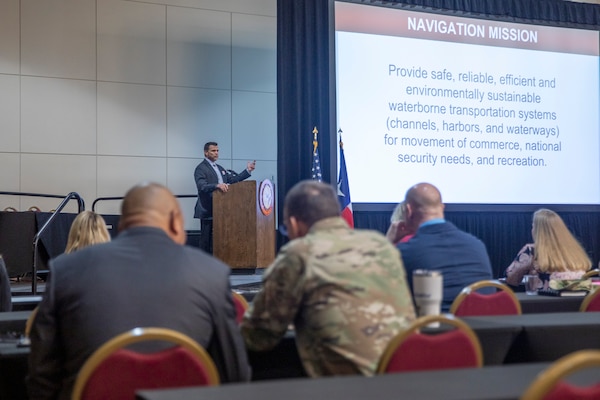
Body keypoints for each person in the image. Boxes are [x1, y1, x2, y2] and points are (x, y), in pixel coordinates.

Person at [28, 182, 250, 399]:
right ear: (175, 222)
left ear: (123, 226)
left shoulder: (65, 269)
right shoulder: (212, 273)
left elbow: (42, 376)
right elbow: (234, 375)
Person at [241, 180, 415, 377]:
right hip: (405, 377)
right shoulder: (381, 245)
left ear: (294, 224)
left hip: (346, 387)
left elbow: (258, 335)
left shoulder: (299, 253)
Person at [398, 182, 493, 312]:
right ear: (442, 208)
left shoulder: (405, 252)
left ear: (408, 211)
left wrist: (390, 240)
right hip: (486, 329)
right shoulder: (477, 245)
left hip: (435, 329)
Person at [505, 208, 592, 289]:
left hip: (544, 303)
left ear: (538, 231)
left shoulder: (531, 251)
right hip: (578, 303)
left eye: (533, 226)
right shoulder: (573, 250)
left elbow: (511, 280)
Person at [193, 141, 256, 253]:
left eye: (217, 150)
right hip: (208, 208)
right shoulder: (201, 168)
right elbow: (202, 186)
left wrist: (247, 171)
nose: (216, 153)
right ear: (206, 153)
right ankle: (203, 264)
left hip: (222, 209)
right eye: (213, 151)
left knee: (221, 237)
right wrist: (217, 185)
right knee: (206, 238)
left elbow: (232, 180)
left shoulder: (220, 168)